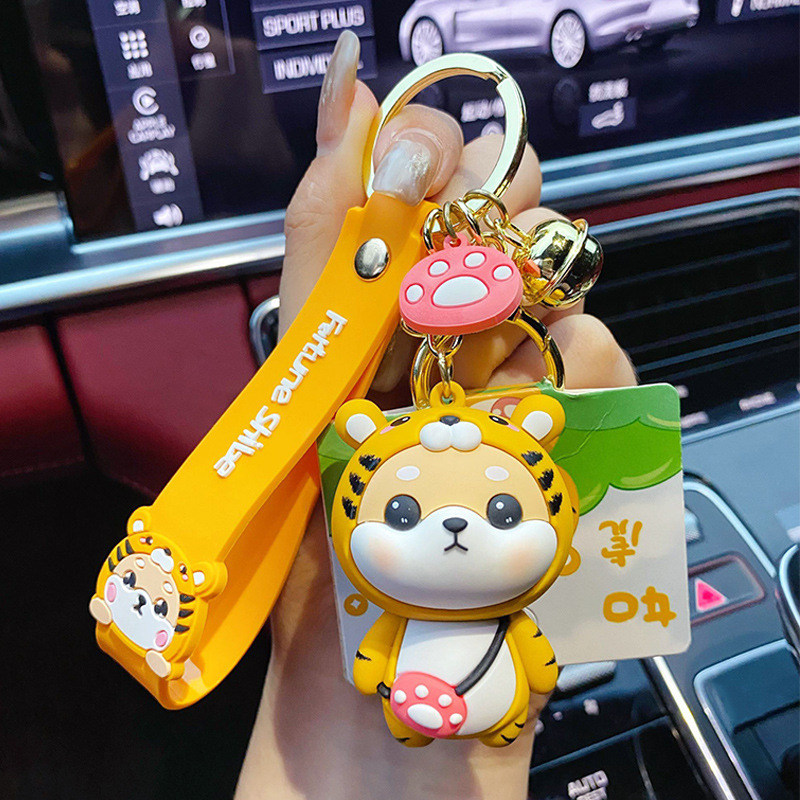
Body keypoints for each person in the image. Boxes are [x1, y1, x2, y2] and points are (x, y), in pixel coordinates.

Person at [235, 31, 636, 800]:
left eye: (500, 510)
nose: (454, 527)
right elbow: (380, 653)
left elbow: (531, 652)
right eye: (404, 510)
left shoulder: (503, 600)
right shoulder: (381, 594)